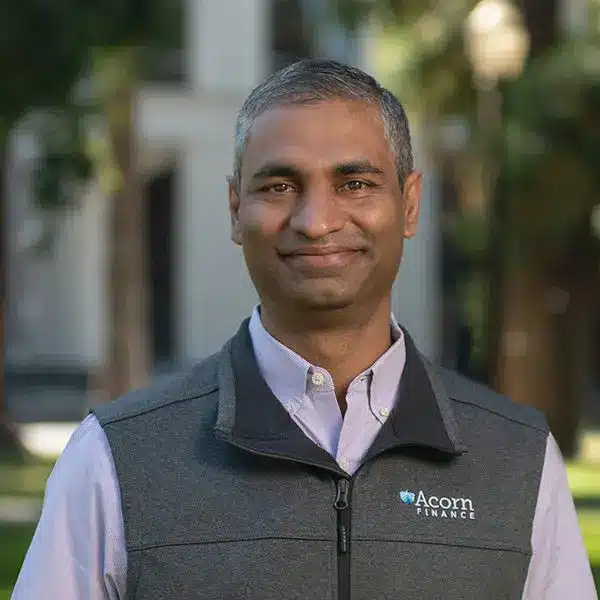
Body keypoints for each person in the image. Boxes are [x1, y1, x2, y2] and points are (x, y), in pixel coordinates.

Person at [12, 59, 597, 600]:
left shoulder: (518, 460)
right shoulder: (114, 457)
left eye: (355, 184)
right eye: (279, 186)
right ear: (235, 209)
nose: (316, 222)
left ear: (410, 204)